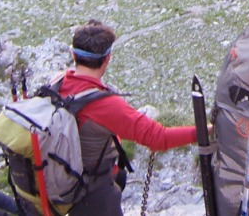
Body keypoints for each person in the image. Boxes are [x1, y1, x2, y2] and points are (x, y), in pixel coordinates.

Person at [56, 19, 198, 216]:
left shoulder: (57, 83)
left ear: (73, 55)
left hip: (58, 178)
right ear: (107, 59)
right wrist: (202, 132)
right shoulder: (104, 105)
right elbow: (159, 138)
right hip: (92, 194)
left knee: (120, 176)